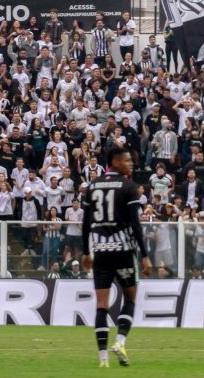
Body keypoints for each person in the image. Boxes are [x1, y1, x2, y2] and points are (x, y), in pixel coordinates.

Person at [81, 147, 152, 368]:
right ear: (115, 161)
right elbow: (135, 223)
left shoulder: (92, 186)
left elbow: (85, 223)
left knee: (101, 305)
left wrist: (86, 251)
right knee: (130, 298)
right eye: (128, 160)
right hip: (123, 250)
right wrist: (145, 255)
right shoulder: (129, 187)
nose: (131, 164)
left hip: (100, 251)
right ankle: (120, 342)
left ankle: (103, 358)